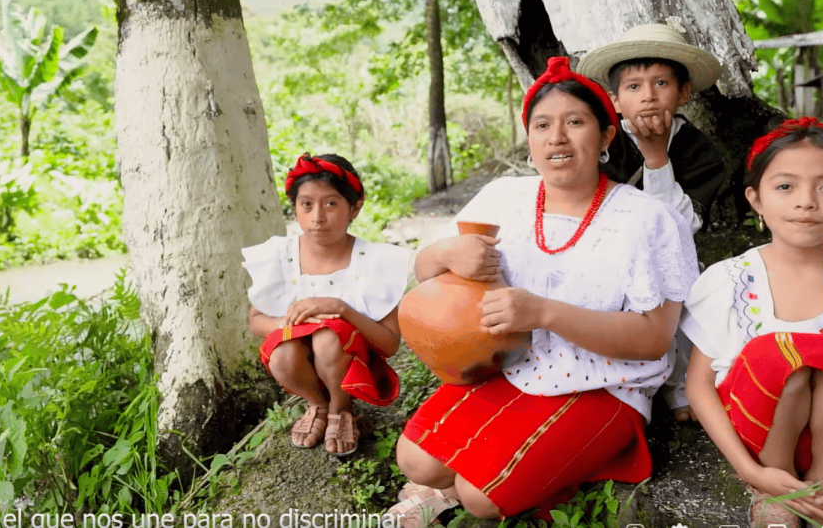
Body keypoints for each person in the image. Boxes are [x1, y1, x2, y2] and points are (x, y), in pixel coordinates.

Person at [387, 57, 699, 526]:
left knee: (480, 498)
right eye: (542, 125)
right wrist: (446, 252)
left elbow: (653, 339)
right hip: (507, 369)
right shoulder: (502, 199)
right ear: (529, 138)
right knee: (416, 462)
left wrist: (543, 313)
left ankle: (565, 472)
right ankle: (476, 480)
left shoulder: (647, 219)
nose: (557, 137)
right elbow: (426, 271)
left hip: (605, 384)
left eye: (575, 122)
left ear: (606, 136)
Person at [684, 117, 823, 527]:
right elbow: (699, 388)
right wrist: (752, 473)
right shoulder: (728, 281)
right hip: (762, 444)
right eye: (785, 186)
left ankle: (822, 490)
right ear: (755, 198)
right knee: (778, 356)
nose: (806, 201)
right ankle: (777, 495)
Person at [578, 21, 728, 421]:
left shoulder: (698, 150)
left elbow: (681, 227)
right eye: (633, 87)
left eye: (661, 83)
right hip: (603, 258)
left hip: (667, 265)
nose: (648, 96)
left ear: (683, 93)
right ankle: (618, 386)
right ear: (614, 99)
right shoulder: (599, 141)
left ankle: (680, 388)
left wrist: (656, 156)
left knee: (684, 302)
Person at [241, 153, 411, 456]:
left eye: (331, 203)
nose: (317, 217)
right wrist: (299, 323)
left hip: (352, 362)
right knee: (282, 351)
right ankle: (317, 404)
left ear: (354, 208)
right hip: (302, 360)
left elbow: (389, 345)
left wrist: (340, 308)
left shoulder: (373, 262)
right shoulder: (280, 256)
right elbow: (256, 322)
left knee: (327, 338)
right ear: (295, 209)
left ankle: (341, 408)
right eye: (306, 204)